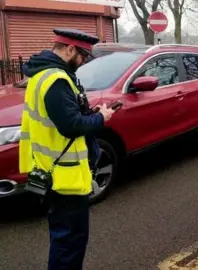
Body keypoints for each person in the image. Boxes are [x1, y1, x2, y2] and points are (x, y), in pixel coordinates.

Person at [19, 28, 116, 270]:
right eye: (82, 56)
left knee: (63, 239)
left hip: (49, 169)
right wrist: (102, 118)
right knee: (70, 243)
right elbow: (71, 126)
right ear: (70, 50)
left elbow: (60, 118)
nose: (82, 62)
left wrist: (89, 114)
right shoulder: (57, 80)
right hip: (65, 177)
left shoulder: (40, 75)